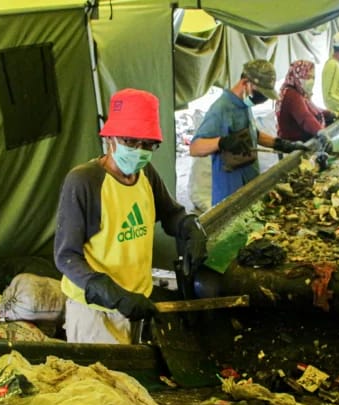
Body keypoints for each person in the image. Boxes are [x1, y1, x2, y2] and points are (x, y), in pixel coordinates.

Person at [53, 88, 208, 344]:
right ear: (110, 138)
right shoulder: (84, 181)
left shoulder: (145, 173)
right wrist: (111, 293)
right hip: (97, 313)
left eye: (148, 144)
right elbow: (66, 256)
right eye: (130, 141)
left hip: (136, 304)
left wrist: (190, 227)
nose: (138, 151)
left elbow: (170, 214)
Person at [190, 59, 307, 206]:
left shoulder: (244, 105)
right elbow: (194, 147)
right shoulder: (220, 109)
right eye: (260, 94)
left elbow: (253, 134)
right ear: (245, 82)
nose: (261, 99)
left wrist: (280, 144)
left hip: (250, 182)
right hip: (230, 191)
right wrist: (222, 142)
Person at [275, 60, 339, 143]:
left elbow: (312, 109)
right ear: (298, 75)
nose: (311, 81)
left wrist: (334, 114)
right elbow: (305, 117)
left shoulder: (298, 91)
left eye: (313, 77)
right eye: (307, 77)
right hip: (296, 143)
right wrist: (321, 132)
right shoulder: (291, 95)